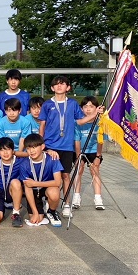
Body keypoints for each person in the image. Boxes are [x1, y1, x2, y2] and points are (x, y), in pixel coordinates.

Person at [39, 75, 102, 217]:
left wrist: (95, 114)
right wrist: (41, 143)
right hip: (50, 145)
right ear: (52, 88)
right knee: (49, 175)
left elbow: (80, 121)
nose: (59, 86)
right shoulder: (47, 105)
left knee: (66, 175)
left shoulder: (73, 104)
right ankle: (48, 200)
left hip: (67, 146)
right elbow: (42, 125)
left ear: (68, 87)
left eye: (62, 84)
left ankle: (66, 203)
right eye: (56, 84)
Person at [21, 134, 63, 227]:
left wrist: (35, 183)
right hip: (34, 191)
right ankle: (40, 208)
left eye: (34, 147)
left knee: (54, 193)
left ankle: (51, 211)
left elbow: (58, 182)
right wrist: (35, 212)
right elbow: (28, 188)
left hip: (47, 187)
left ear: (42, 147)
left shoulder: (52, 158)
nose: (31, 151)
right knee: (36, 219)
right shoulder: (24, 164)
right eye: (28, 148)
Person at [73, 96, 106, 211]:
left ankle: (98, 198)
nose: (88, 109)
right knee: (78, 171)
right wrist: (78, 156)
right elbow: (76, 140)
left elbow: (100, 141)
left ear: (97, 108)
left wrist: (98, 156)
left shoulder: (100, 122)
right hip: (80, 151)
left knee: (95, 171)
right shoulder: (78, 122)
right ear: (81, 109)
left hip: (94, 151)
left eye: (91, 106)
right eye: (85, 106)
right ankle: (76, 197)